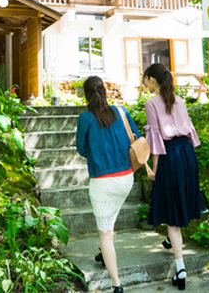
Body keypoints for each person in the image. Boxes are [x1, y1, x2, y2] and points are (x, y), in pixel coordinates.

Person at [76, 76, 141, 293]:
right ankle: (100, 252)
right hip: (126, 178)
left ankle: (116, 284)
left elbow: (81, 149)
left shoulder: (85, 118)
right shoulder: (120, 111)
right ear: (104, 91)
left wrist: (98, 154)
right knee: (108, 219)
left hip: (102, 182)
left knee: (106, 234)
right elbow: (136, 137)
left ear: (86, 94)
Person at [143, 63, 201, 291]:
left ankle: (180, 268)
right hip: (187, 154)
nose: (144, 83)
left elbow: (156, 141)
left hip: (169, 156)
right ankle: (169, 241)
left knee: (172, 215)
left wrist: (154, 170)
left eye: (145, 79)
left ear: (152, 80)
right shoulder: (181, 101)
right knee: (181, 199)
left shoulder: (151, 104)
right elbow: (189, 133)